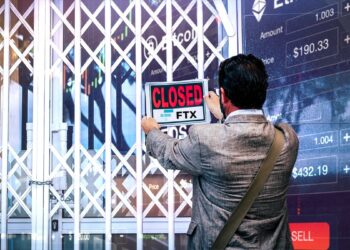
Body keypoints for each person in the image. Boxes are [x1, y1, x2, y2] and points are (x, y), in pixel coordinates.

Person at [141, 54, 299, 249]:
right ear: (263, 92)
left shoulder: (204, 140)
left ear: (223, 95)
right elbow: (247, 139)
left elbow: (169, 153)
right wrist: (224, 114)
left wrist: (151, 131)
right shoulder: (286, 140)